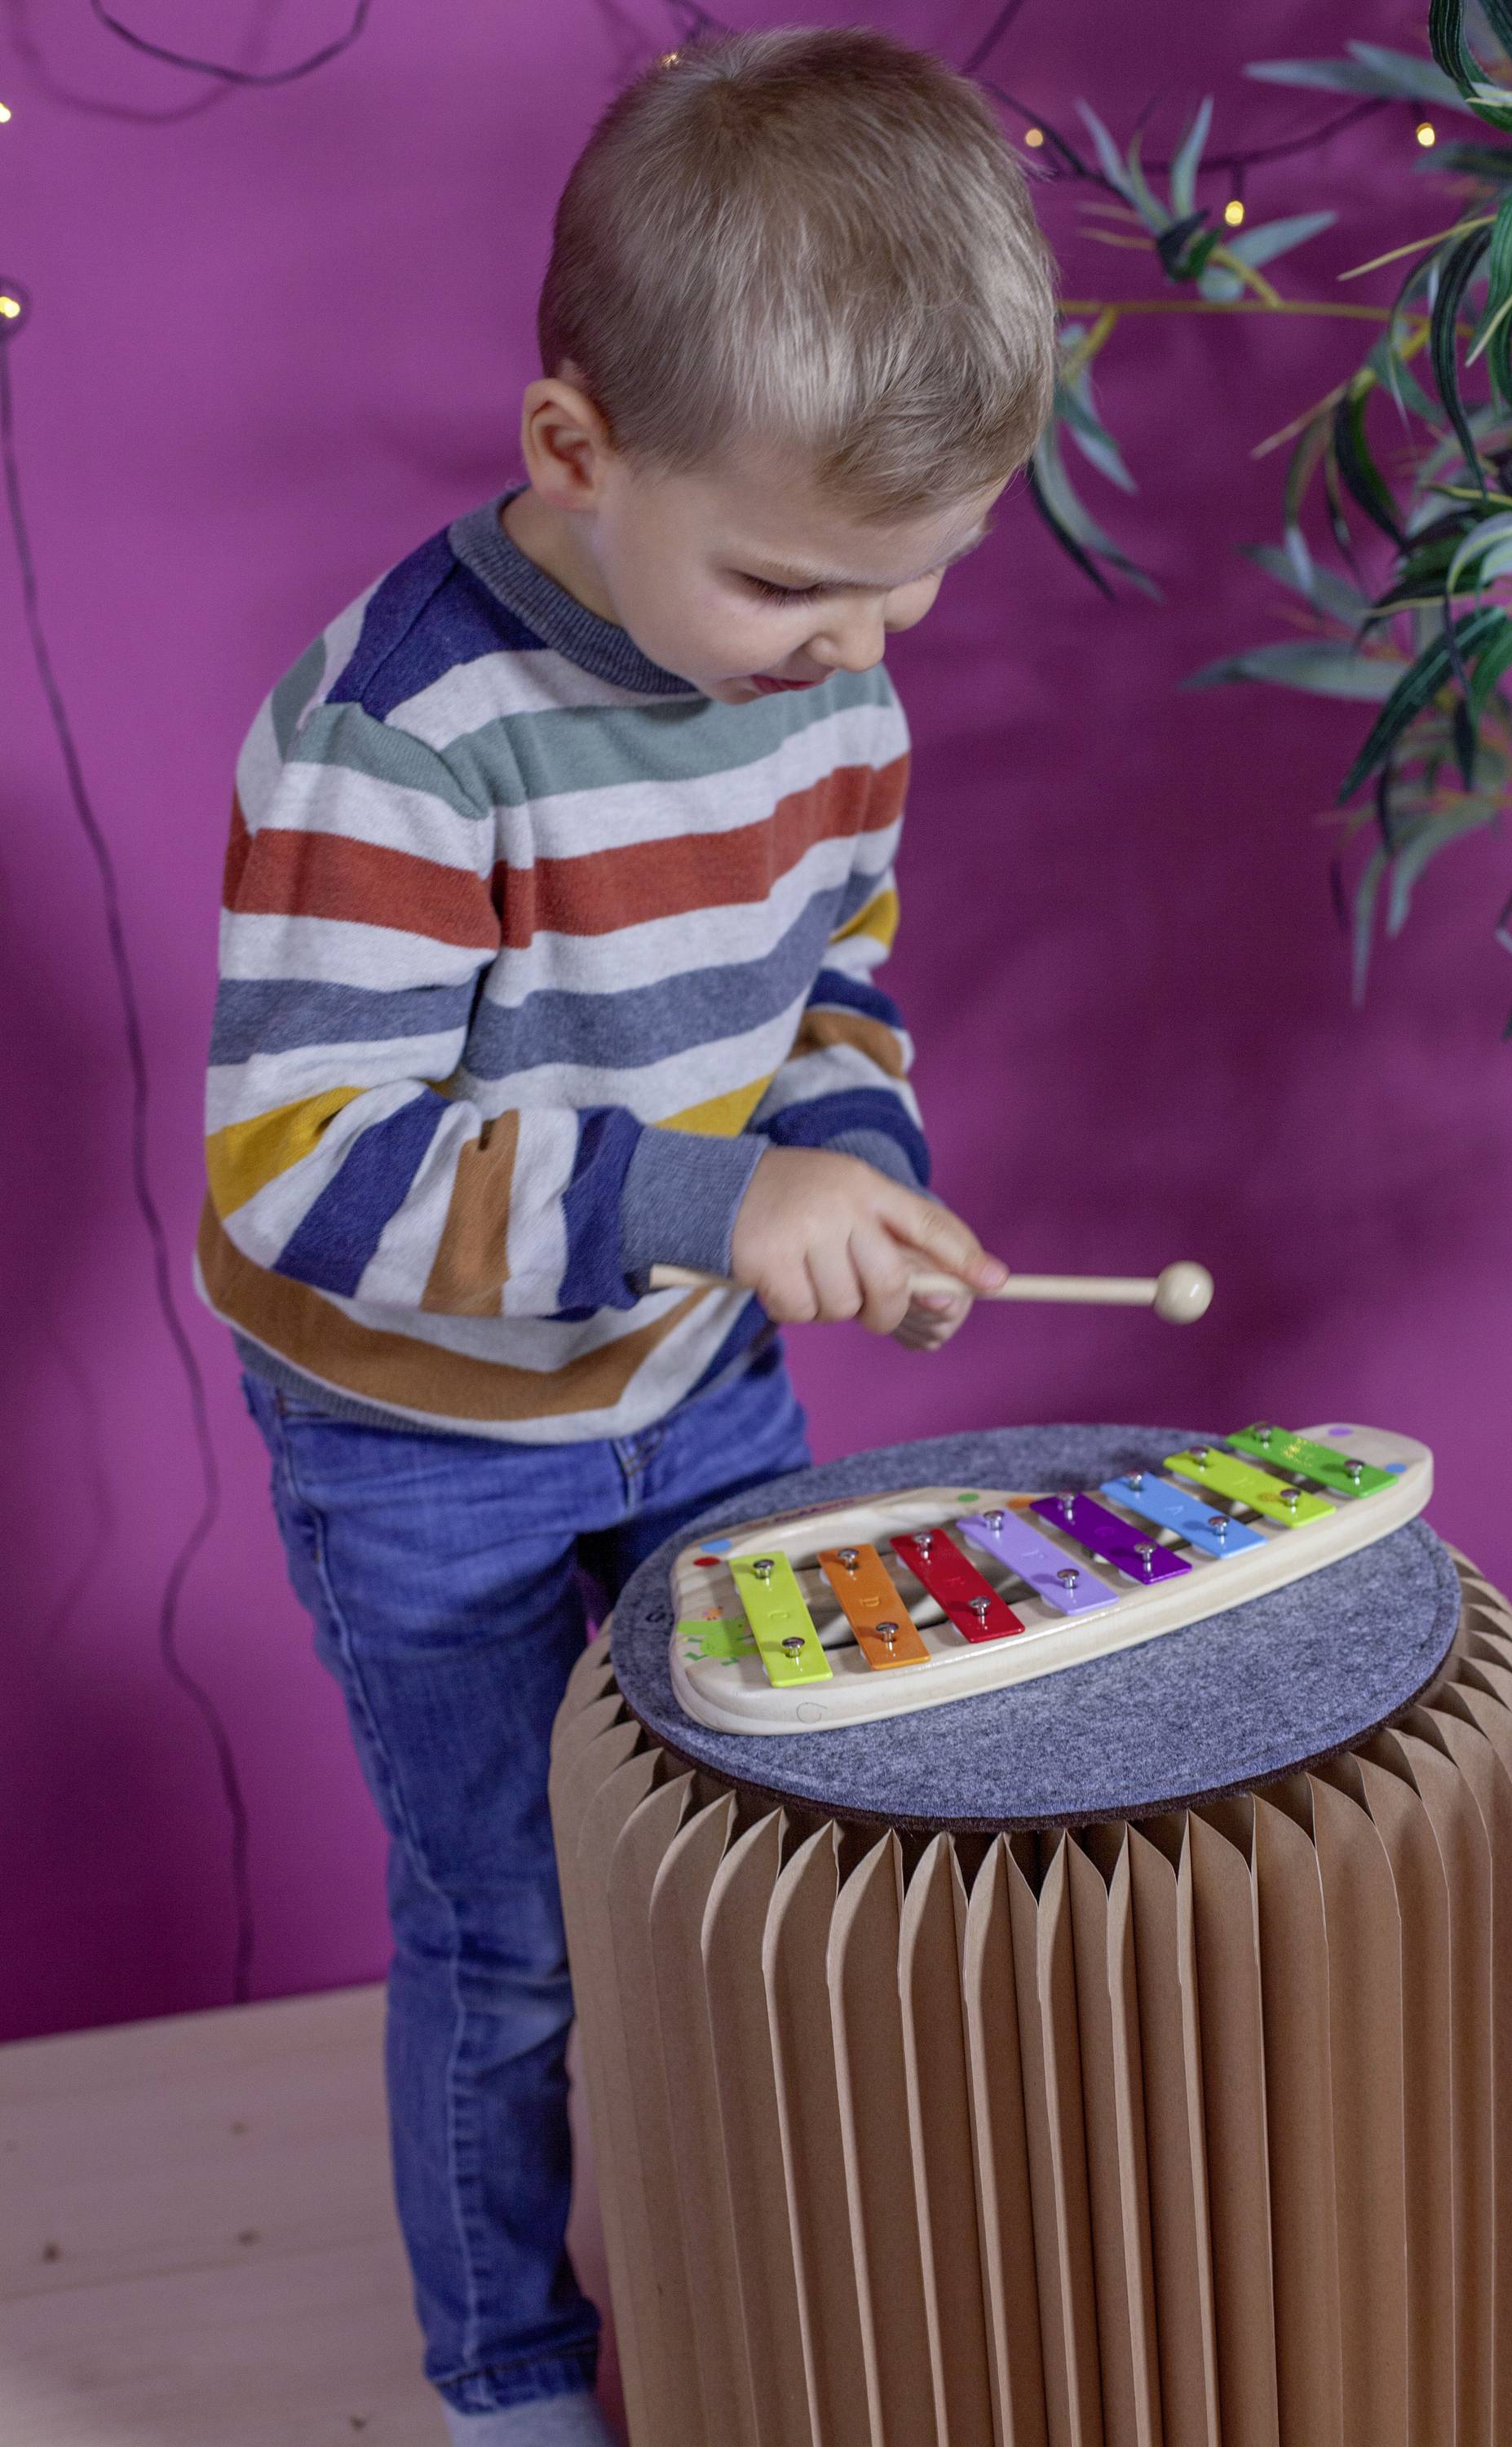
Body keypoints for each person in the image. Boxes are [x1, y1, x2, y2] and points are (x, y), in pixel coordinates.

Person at [197, 24, 1056, 2443]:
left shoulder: (831, 694)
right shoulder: (399, 738)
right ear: (575, 451)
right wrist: (718, 1198)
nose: (858, 650)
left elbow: (831, 984)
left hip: (692, 1389)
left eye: (919, 586)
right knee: (522, 1942)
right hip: (429, 1443)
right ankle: (506, 2375)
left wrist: (849, 1156)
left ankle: (782, 2290)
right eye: (795, 579)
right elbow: (308, 1173)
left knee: (786, 1856)